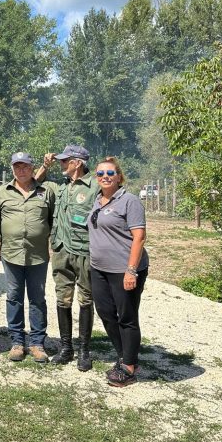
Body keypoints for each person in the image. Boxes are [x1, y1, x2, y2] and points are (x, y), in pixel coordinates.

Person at [87, 157, 149, 387]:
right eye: (100, 173)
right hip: (99, 269)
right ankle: (125, 357)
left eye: (110, 173)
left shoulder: (129, 201)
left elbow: (139, 237)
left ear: (119, 177)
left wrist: (131, 270)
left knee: (127, 317)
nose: (105, 177)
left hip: (124, 269)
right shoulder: (97, 200)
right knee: (105, 313)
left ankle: (129, 368)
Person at [39, 145, 99, 371]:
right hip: (61, 249)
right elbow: (34, 183)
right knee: (62, 299)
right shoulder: (61, 187)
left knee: (85, 299)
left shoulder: (95, 186)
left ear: (78, 163)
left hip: (84, 251)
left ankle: (84, 350)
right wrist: (45, 166)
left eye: (65, 161)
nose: (62, 164)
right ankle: (66, 348)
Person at [0, 152, 56, 363]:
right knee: (14, 297)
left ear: (32, 168)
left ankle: (37, 343)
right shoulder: (2, 192)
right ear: (12, 169)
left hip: (37, 255)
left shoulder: (45, 192)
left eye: (25, 166)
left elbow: (51, 220)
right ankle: (17, 342)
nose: (21, 170)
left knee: (37, 298)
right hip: (11, 254)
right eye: (17, 167)